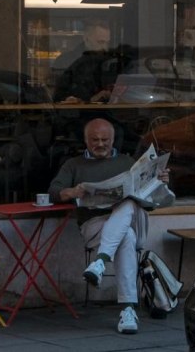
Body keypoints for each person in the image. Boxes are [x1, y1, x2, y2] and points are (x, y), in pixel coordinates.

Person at [48, 118, 169, 335]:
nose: (100, 144)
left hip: (135, 221)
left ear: (113, 140)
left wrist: (158, 181)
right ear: (86, 140)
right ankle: (127, 310)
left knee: (129, 203)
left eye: (105, 140)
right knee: (126, 237)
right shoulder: (73, 164)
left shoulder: (127, 162)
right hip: (95, 226)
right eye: (95, 140)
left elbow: (150, 203)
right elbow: (54, 192)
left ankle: (100, 262)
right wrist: (72, 192)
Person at [53, 21, 119, 103]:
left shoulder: (109, 61)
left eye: (107, 43)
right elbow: (58, 97)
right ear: (86, 38)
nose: (105, 47)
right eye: (100, 42)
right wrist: (89, 100)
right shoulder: (66, 61)